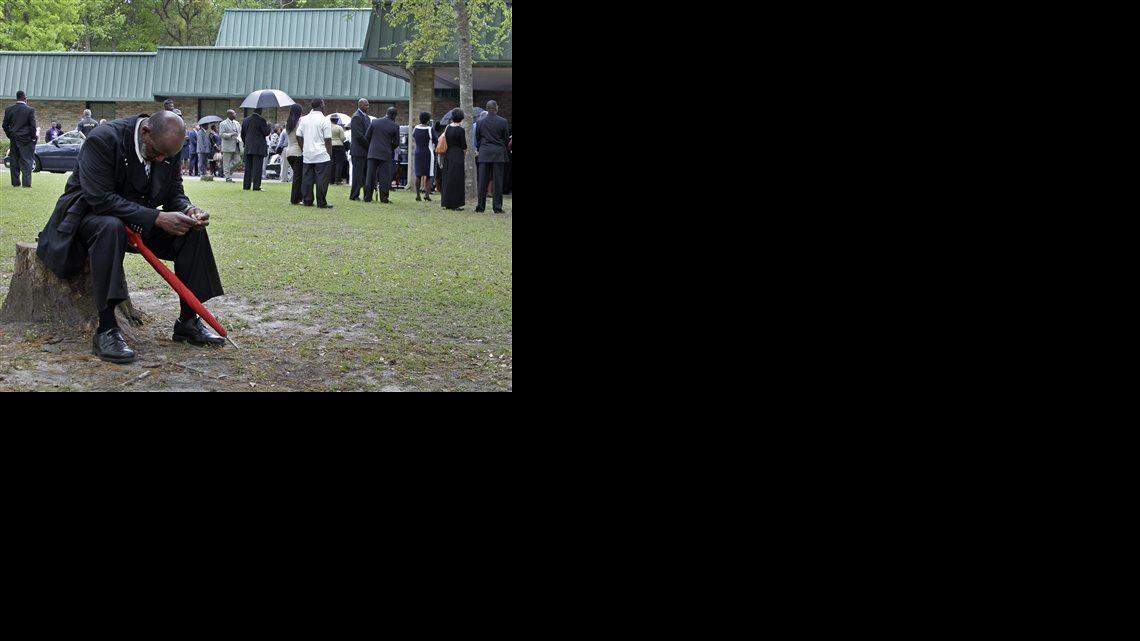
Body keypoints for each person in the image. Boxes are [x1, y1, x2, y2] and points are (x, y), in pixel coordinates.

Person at [35, 110, 225, 364]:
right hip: (88, 216)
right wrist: (157, 218)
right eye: (157, 153)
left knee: (192, 232)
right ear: (145, 131)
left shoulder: (167, 147)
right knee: (110, 227)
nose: (160, 160)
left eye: (166, 157)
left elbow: (173, 192)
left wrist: (188, 209)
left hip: (138, 219)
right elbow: (99, 198)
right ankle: (107, 329)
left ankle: (188, 321)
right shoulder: (103, 140)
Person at [297, 98, 333, 208]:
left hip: (308, 154)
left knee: (307, 178)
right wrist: (329, 153)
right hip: (322, 154)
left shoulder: (304, 119)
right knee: (322, 179)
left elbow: (298, 135)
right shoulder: (324, 120)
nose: (324, 106)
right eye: (324, 104)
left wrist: (304, 148)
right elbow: (328, 139)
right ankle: (321, 202)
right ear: (321, 106)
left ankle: (307, 200)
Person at [475, 100, 510, 214]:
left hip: (484, 152)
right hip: (498, 153)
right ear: (496, 108)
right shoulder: (503, 121)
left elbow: (478, 138)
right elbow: (505, 138)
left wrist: (483, 147)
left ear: (487, 108)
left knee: (482, 181)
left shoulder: (480, 122)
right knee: (498, 181)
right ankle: (497, 207)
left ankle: (480, 207)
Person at [364, 106, 400, 204]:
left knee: (370, 176)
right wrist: (389, 147)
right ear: (394, 115)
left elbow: (367, 136)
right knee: (384, 177)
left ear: (386, 113)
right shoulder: (395, 126)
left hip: (372, 152)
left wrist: (371, 146)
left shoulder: (375, 122)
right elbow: (396, 143)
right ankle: (384, 198)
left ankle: (367, 197)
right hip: (385, 154)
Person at [3, 90, 37, 188]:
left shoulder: (9, 109)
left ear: (16, 98)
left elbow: (4, 125)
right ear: (25, 98)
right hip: (26, 140)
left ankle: (15, 183)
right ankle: (26, 184)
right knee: (26, 161)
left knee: (14, 161)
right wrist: (33, 137)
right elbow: (33, 126)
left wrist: (10, 134)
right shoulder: (30, 110)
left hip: (14, 138)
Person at [440, 109, 468, 210]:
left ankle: (446, 202)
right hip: (458, 156)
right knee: (457, 180)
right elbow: (464, 146)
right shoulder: (461, 130)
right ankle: (456, 204)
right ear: (461, 118)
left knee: (448, 179)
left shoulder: (447, 128)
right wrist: (463, 154)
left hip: (448, 155)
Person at [241, 107, 271, 191]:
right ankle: (256, 186)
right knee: (257, 168)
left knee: (248, 168)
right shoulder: (262, 120)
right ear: (260, 111)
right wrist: (268, 126)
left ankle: (246, 186)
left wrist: (246, 143)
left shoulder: (246, 120)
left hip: (248, 147)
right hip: (258, 148)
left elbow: (242, 134)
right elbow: (266, 133)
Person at [349, 98, 370, 200]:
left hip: (365, 151)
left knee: (366, 174)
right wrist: (369, 145)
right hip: (358, 151)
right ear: (360, 105)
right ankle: (354, 195)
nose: (368, 107)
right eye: (366, 105)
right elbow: (359, 135)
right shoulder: (356, 117)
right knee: (358, 175)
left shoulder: (366, 117)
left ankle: (367, 195)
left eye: (368, 105)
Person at [412, 112, 435, 201]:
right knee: (429, 175)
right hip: (428, 153)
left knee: (418, 174)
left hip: (418, 152)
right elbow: (435, 140)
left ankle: (418, 195)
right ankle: (426, 195)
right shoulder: (430, 129)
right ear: (428, 120)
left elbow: (414, 137)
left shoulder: (416, 128)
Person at [283, 104, 304, 202]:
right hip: (298, 152)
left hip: (289, 152)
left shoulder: (288, 122)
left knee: (297, 175)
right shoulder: (300, 122)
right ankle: (295, 198)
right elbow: (300, 137)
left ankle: (297, 197)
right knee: (298, 176)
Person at [219, 109, 241, 182]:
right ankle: (228, 178)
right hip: (227, 146)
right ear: (229, 115)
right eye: (234, 114)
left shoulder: (237, 123)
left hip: (236, 145)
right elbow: (221, 134)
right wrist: (231, 134)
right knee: (226, 163)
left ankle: (228, 172)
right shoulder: (223, 123)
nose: (235, 115)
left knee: (238, 161)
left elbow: (240, 132)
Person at [330, 115, 348, 185]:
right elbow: (343, 138)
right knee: (339, 163)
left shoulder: (328, 127)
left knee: (332, 163)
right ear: (337, 120)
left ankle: (331, 180)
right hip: (339, 146)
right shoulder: (339, 127)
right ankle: (337, 181)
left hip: (330, 146)